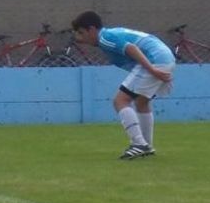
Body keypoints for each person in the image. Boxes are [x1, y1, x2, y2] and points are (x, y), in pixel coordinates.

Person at [71, 10, 175, 160]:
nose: (81, 38)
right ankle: (147, 146)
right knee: (141, 102)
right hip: (164, 56)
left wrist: (152, 70)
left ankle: (139, 144)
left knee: (120, 101)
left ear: (92, 29)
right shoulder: (110, 35)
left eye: (82, 33)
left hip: (155, 59)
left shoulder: (105, 38)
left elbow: (132, 49)